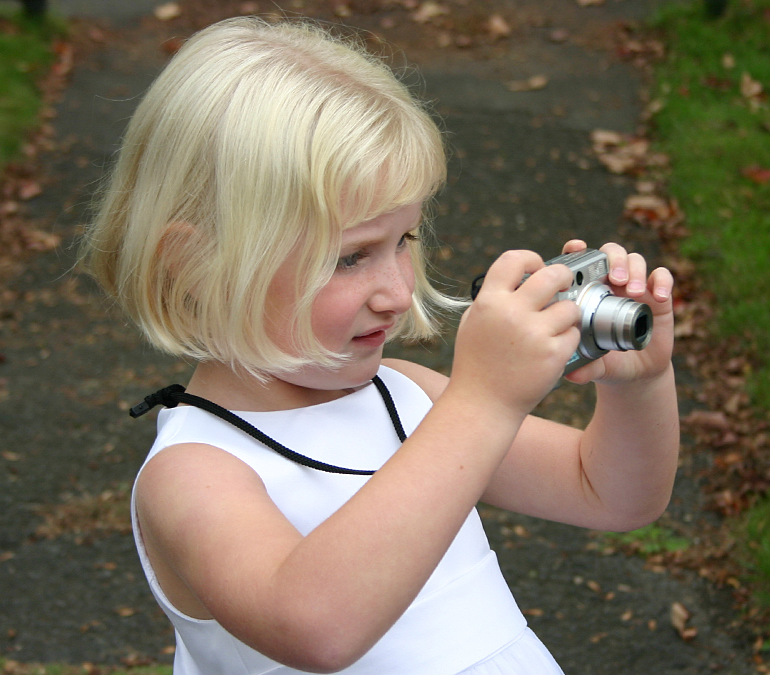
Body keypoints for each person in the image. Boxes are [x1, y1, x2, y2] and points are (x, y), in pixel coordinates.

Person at [81, 16, 678, 675]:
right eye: (349, 258)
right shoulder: (196, 472)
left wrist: (638, 386)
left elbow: (611, 493)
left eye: (404, 241)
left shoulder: (407, 395)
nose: (395, 290)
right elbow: (316, 628)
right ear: (196, 265)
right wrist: (482, 401)